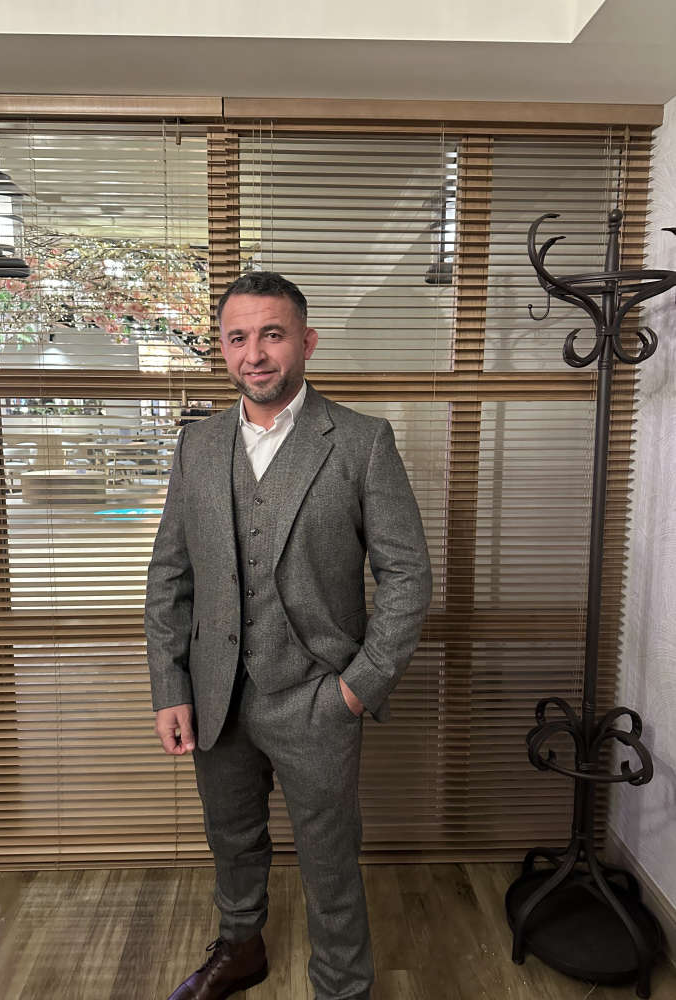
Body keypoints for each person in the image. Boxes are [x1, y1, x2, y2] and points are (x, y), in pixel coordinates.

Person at [145, 272, 431, 1000]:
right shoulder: (196, 446)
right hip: (215, 695)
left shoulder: (361, 441)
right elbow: (170, 576)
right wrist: (171, 687)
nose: (255, 354)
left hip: (317, 697)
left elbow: (407, 576)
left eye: (272, 335)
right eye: (238, 338)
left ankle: (342, 985)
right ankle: (241, 949)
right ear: (222, 348)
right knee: (232, 839)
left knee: (329, 859)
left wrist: (357, 688)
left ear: (306, 342)